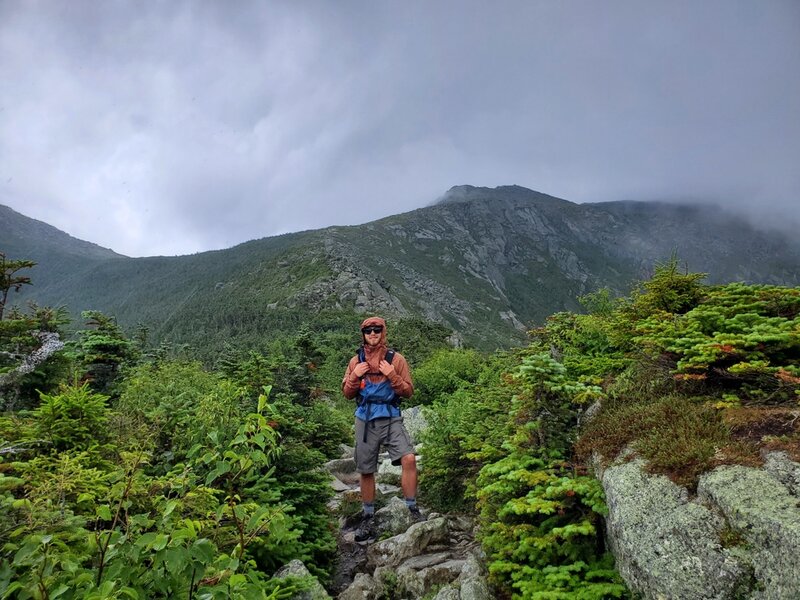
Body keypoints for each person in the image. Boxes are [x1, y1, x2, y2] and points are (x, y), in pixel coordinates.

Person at [342, 316, 423, 542]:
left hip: (390, 416)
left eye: (377, 330)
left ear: (383, 332)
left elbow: (408, 391)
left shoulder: (396, 360)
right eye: (368, 331)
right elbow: (347, 394)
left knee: (408, 458)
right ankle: (368, 514)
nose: (373, 333)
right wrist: (355, 376)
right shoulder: (354, 362)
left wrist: (391, 375)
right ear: (363, 334)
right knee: (366, 468)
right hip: (365, 419)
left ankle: (411, 509)